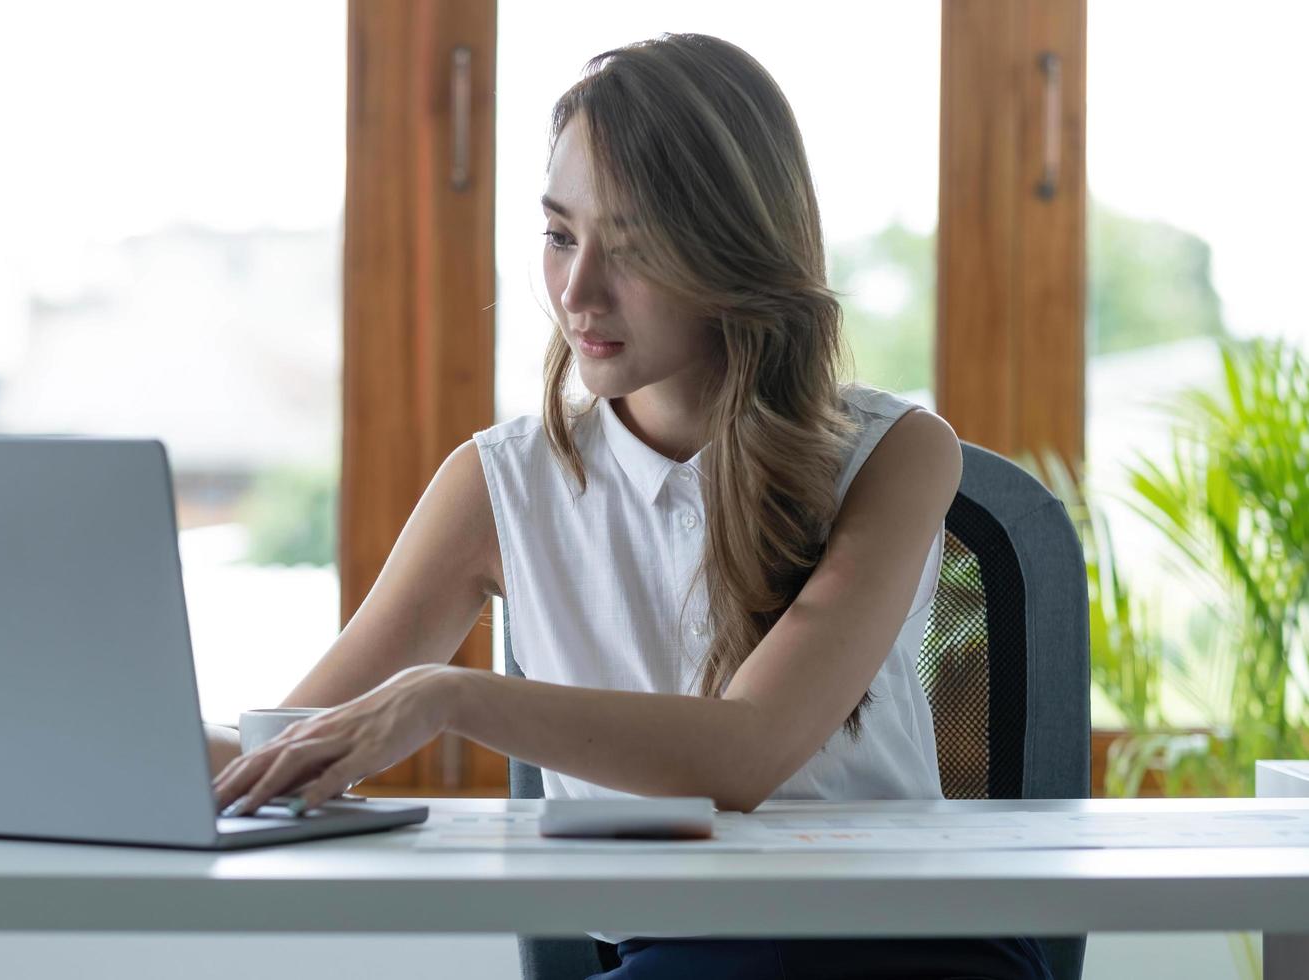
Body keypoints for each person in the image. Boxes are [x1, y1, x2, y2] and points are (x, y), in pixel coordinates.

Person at [207, 32, 1052, 980]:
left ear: (733, 252)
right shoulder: (502, 484)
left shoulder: (895, 455)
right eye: (562, 235)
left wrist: (449, 695)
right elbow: (295, 744)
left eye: (635, 245)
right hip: (677, 955)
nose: (577, 291)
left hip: (910, 946)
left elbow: (746, 754)